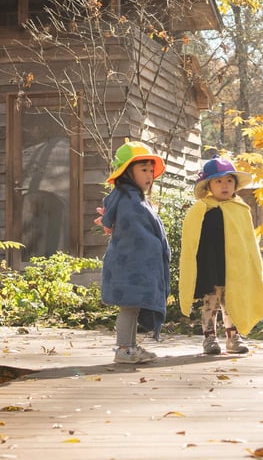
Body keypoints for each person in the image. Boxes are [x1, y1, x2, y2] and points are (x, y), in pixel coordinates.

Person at [179, 155, 263, 355]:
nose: (224, 185)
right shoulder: (200, 209)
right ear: (209, 185)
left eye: (229, 180)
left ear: (235, 185)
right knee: (210, 302)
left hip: (234, 266)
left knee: (233, 301)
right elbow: (192, 241)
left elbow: (247, 242)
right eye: (218, 181)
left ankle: (233, 337)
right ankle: (209, 338)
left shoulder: (241, 209)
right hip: (209, 265)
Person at [97, 140, 171, 364]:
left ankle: (130, 346)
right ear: (128, 172)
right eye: (143, 169)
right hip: (130, 267)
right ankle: (124, 349)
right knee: (129, 308)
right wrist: (156, 249)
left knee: (132, 307)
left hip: (132, 267)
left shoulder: (132, 198)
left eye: (151, 170)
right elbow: (136, 236)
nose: (149, 175)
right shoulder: (130, 201)